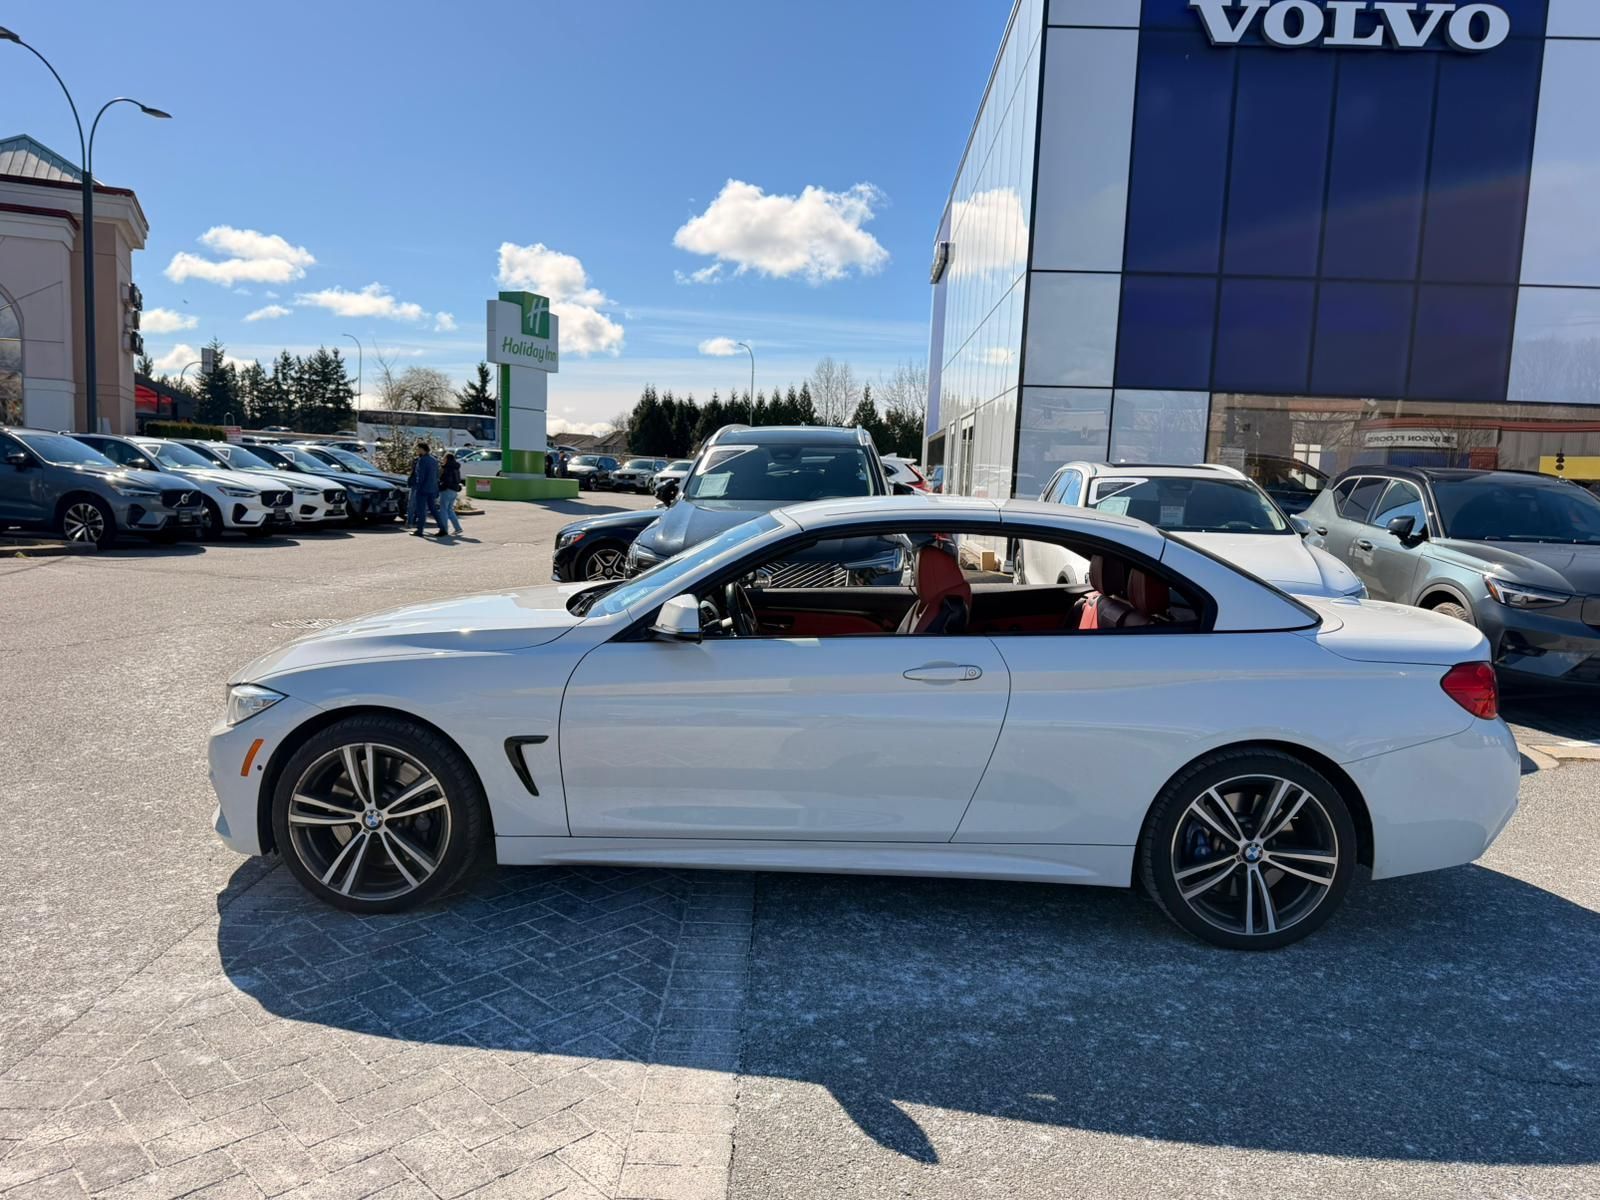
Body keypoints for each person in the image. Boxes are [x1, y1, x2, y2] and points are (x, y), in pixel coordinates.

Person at [409, 442, 444, 537]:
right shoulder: (434, 460)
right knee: (433, 509)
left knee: (421, 510)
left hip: (423, 489)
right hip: (432, 488)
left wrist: (418, 487)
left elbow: (421, 476)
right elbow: (437, 475)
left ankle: (420, 530)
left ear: (422, 449)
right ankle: (442, 528)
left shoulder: (422, 460)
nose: (416, 451)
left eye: (417, 449)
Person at [438, 452, 465, 537]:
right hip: (454, 490)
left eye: (444, 458)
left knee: (443, 510)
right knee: (450, 510)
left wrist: (440, 487)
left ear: (446, 459)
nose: (443, 460)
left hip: (447, 490)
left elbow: (446, 481)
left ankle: (444, 529)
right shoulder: (456, 468)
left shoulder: (447, 468)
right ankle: (457, 528)